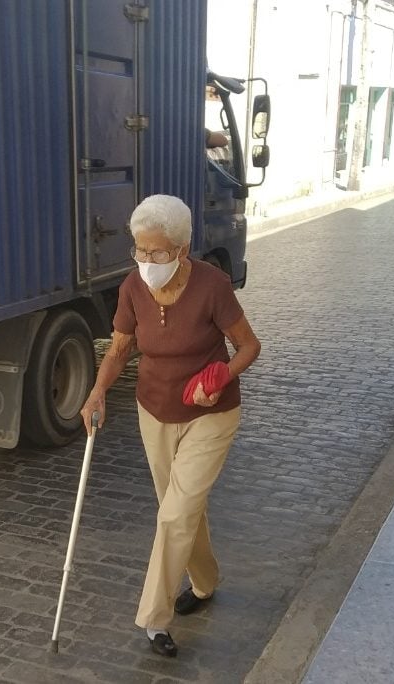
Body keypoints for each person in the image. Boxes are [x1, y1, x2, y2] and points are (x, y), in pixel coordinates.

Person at [80, 194, 260, 658]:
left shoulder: (213, 285)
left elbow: (248, 346)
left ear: (181, 249)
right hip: (153, 410)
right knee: (180, 508)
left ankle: (154, 620)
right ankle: (204, 582)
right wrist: (98, 391)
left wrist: (222, 373)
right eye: (139, 250)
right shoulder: (132, 288)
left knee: (176, 513)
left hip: (210, 414)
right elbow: (120, 349)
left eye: (156, 252)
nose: (145, 260)